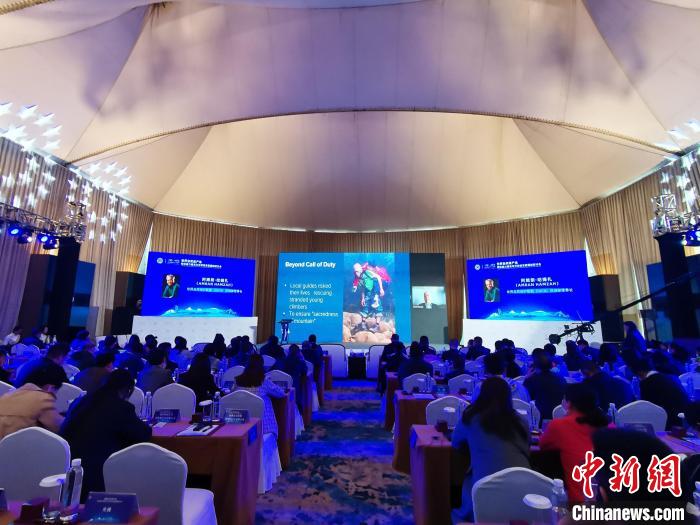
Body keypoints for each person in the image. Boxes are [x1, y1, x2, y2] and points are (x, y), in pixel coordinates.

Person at [60, 369, 151, 501]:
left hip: (69, 468)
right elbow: (143, 435)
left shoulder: (80, 401)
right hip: (100, 471)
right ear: (128, 390)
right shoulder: (121, 407)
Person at [452, 377, 530, 522]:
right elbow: (527, 448)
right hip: (525, 489)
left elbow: (455, 442)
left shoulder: (471, 418)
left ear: (481, 394)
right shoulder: (520, 421)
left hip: (484, 489)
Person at [538, 383, 610, 502]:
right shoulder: (608, 425)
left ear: (568, 403)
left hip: (578, 503)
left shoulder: (559, 425)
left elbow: (542, 445)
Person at [0, 361, 65, 438]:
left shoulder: (10, 394)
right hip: (12, 444)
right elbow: (59, 428)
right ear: (50, 387)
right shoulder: (44, 398)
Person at [630, 357, 689, 428]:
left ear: (640, 372)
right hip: (683, 417)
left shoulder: (646, 382)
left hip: (668, 420)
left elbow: (645, 404)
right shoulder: (668, 377)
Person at [235, 354, 285, 436]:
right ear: (261, 365)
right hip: (264, 426)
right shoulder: (264, 381)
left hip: (242, 424)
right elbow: (281, 393)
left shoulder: (238, 380)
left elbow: (232, 395)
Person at [524, 353, 566, 421]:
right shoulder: (561, 378)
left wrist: (526, 378)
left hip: (541, 415)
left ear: (536, 366)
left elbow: (525, 396)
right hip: (560, 413)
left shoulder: (534, 378)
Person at [276, 344, 308, 409]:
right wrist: (302, 358)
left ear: (289, 351)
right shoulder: (300, 362)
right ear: (298, 352)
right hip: (295, 386)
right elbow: (305, 371)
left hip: (283, 386)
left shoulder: (283, 361)